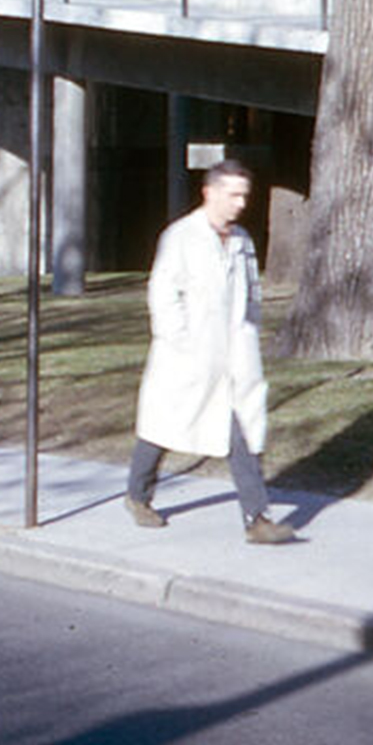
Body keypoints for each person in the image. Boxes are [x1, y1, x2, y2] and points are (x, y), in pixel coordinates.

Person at [122, 159, 298, 545]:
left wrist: (249, 336)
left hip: (234, 356)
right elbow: (163, 294)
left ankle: (257, 518)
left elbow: (252, 294)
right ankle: (137, 495)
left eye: (244, 195)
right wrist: (180, 341)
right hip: (186, 354)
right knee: (163, 426)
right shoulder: (181, 236)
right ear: (210, 192)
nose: (240, 203)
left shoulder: (242, 242)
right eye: (233, 194)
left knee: (242, 430)